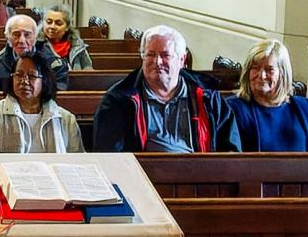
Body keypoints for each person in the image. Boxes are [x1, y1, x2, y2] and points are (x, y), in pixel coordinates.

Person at [93, 25, 241, 152]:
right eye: (150, 55)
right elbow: (109, 154)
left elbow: (231, 150)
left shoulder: (208, 97)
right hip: (143, 178)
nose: (157, 62)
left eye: (165, 55)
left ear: (182, 60)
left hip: (200, 178)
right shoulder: (119, 99)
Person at [226, 39, 308, 152]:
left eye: (269, 69)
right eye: (255, 68)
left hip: (304, 170)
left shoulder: (306, 108)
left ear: (283, 74)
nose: (262, 75)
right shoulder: (232, 109)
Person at [0, 52, 84, 153]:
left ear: (44, 80)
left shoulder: (66, 119)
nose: (24, 81)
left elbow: (77, 162)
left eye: (32, 76)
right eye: (18, 75)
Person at [0, 14, 69, 91]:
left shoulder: (54, 64)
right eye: (16, 35)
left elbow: (57, 98)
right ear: (8, 38)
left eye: (27, 35)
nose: (21, 40)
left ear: (35, 37)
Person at [39, 3, 93, 70]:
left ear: (67, 27)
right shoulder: (35, 45)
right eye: (49, 22)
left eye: (58, 23)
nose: (52, 26)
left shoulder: (78, 47)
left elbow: (88, 73)